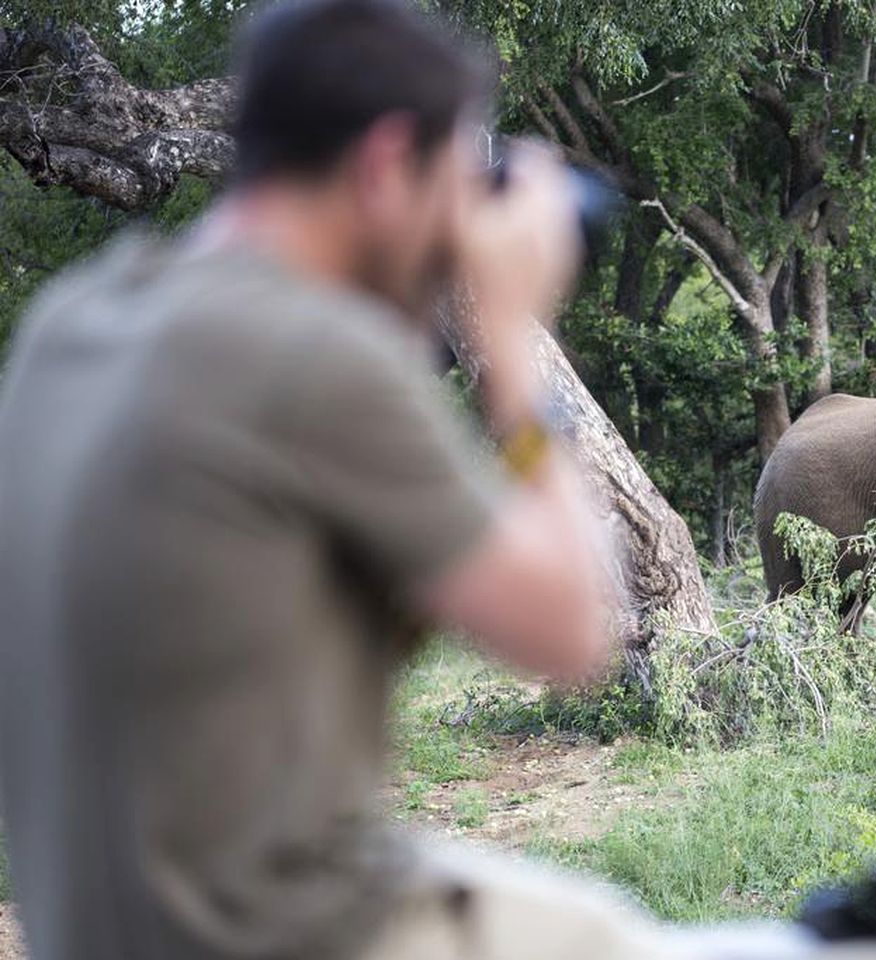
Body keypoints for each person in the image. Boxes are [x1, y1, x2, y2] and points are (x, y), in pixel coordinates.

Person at [0, 1, 674, 958]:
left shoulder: (70, 327)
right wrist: (514, 340)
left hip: (96, 932)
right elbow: (573, 633)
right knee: (632, 937)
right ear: (384, 164)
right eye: (451, 179)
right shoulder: (314, 357)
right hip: (275, 934)